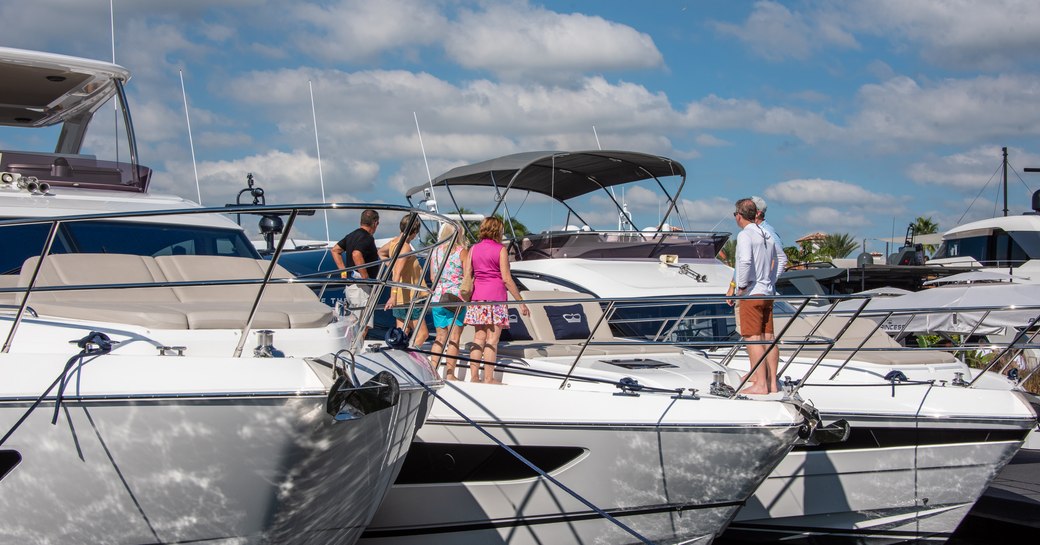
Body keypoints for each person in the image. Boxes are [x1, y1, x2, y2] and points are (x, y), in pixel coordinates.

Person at [463, 216, 529, 384]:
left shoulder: (473, 249)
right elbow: (507, 279)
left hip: (478, 298)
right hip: (496, 298)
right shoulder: (500, 250)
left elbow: (468, 274)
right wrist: (520, 301)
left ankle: (474, 377)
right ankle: (489, 378)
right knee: (492, 340)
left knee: (479, 338)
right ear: (497, 230)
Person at [733, 198, 782, 394]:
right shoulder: (767, 234)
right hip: (767, 292)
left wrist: (742, 286)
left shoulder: (745, 235)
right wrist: (770, 280)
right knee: (768, 338)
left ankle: (760, 384)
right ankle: (771, 384)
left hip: (752, 293)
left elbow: (744, 261)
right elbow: (781, 258)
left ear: (738, 215)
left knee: (753, 339)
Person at [382, 213, 428, 347]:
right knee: (422, 334)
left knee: (402, 333)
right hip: (410, 297)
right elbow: (397, 273)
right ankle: (412, 357)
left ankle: (399, 358)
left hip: (402, 298)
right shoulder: (405, 247)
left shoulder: (393, 243)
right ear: (414, 232)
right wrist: (393, 296)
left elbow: (381, 253)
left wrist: (390, 266)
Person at [331, 209, 379, 338]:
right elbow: (356, 254)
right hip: (361, 289)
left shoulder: (351, 235)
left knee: (356, 321)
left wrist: (343, 271)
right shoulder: (367, 238)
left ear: (361, 221)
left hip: (352, 287)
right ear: (375, 223)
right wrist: (365, 277)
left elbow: (335, 250)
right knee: (363, 324)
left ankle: (354, 348)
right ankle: (356, 350)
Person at [428, 223, 468, 380]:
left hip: (437, 298)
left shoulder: (435, 252)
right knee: (454, 338)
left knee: (439, 337)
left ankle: (432, 372)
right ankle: (450, 374)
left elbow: (432, 277)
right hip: (454, 299)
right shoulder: (461, 252)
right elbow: (467, 277)